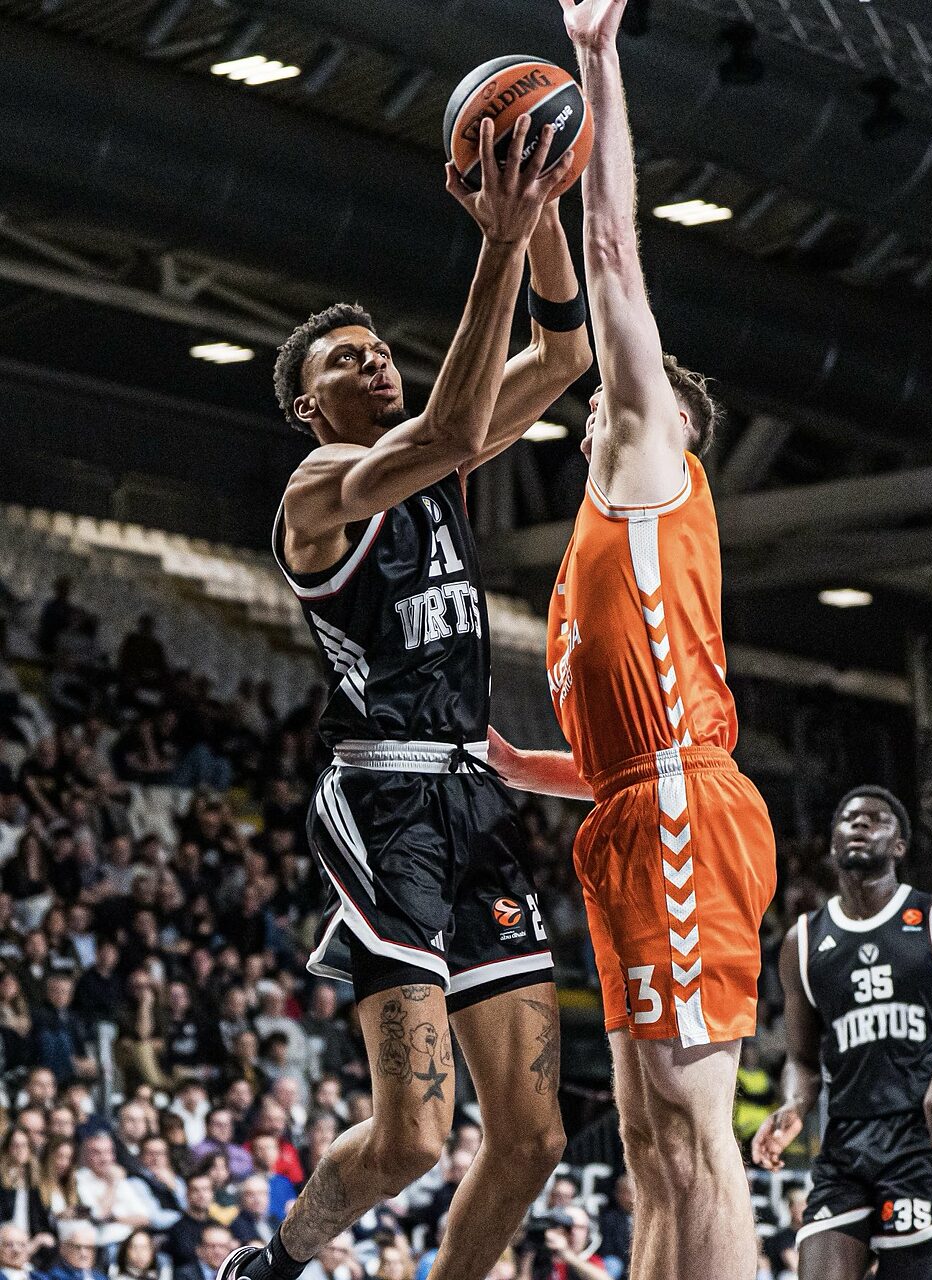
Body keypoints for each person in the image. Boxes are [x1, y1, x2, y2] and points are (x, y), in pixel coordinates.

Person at [216, 111, 590, 1280]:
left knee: (530, 1138)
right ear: (307, 407)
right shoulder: (319, 488)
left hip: (469, 801)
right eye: (345, 360)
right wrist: (499, 230)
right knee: (416, 1137)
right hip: (381, 800)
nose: (373, 359)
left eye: (380, 347)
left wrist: (542, 219)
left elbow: (565, 355)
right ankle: (273, 1262)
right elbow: (453, 423)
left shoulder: (436, 454)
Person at [487, 3, 777, 1278]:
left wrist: (598, 61)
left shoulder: (651, 461)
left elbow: (613, 252)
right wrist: (515, 762)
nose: (605, 387)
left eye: (621, 381)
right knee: (651, 1141)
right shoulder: (587, 554)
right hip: (625, 813)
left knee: (699, 1135)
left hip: (679, 815)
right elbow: (604, 752)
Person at [752, 787, 932, 1279]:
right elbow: (802, 1060)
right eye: (848, 818)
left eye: (876, 820)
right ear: (832, 841)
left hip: (925, 1141)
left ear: (899, 845)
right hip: (845, 1143)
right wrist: (795, 1105)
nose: (860, 825)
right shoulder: (803, 941)